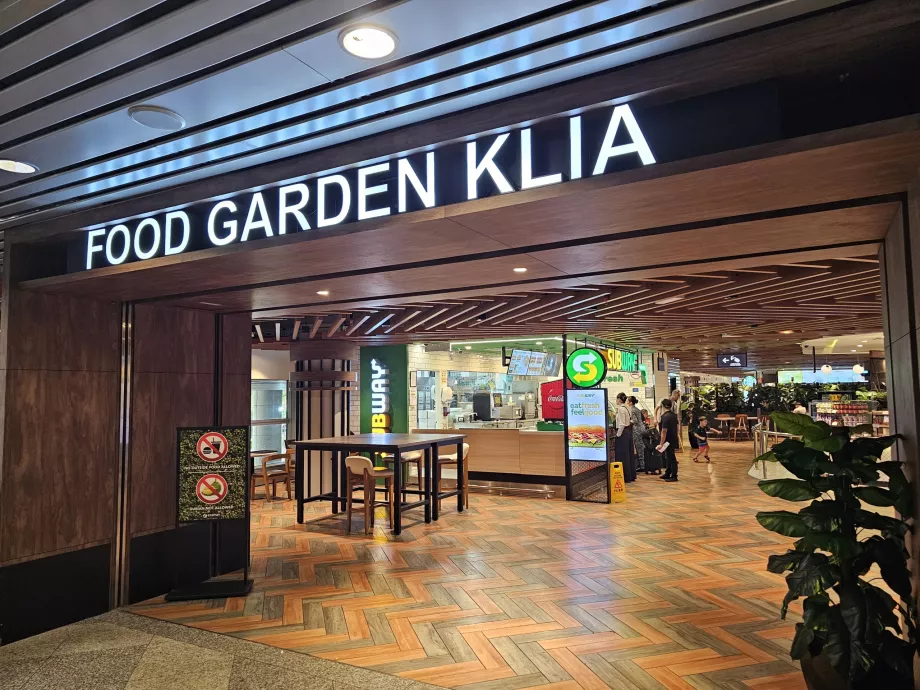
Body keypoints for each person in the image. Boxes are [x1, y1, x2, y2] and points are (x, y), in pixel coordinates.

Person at [614, 393, 636, 482]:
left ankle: (625, 476)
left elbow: (622, 424)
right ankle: (631, 475)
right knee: (629, 454)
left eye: (616, 399)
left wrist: (618, 435)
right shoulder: (628, 408)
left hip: (623, 433)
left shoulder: (620, 409)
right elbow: (630, 420)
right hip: (629, 432)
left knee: (623, 455)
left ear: (619, 399)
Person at [658, 399, 679, 482]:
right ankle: (668, 472)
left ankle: (674, 475)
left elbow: (664, 431)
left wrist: (661, 443)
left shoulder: (665, 417)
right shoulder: (673, 415)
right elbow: (677, 427)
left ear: (663, 406)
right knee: (668, 456)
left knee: (671, 457)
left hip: (667, 440)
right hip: (673, 438)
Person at [626, 396, 646, 472]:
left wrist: (628, 422)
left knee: (639, 447)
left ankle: (642, 466)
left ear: (630, 402)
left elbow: (635, 420)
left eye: (627, 401)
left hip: (636, 430)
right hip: (641, 429)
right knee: (641, 446)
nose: (626, 402)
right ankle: (643, 464)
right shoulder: (636, 409)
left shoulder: (632, 410)